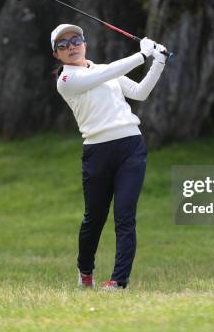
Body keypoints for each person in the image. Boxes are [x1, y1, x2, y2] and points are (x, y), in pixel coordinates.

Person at [52, 23, 167, 290]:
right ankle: (85, 271)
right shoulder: (66, 81)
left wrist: (158, 61)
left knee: (125, 216)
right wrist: (141, 55)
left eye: (75, 40)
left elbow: (140, 92)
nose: (71, 47)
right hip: (97, 151)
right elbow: (110, 72)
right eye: (63, 45)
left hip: (131, 145)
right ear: (56, 54)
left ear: (85, 43)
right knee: (95, 217)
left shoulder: (104, 71)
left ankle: (118, 281)